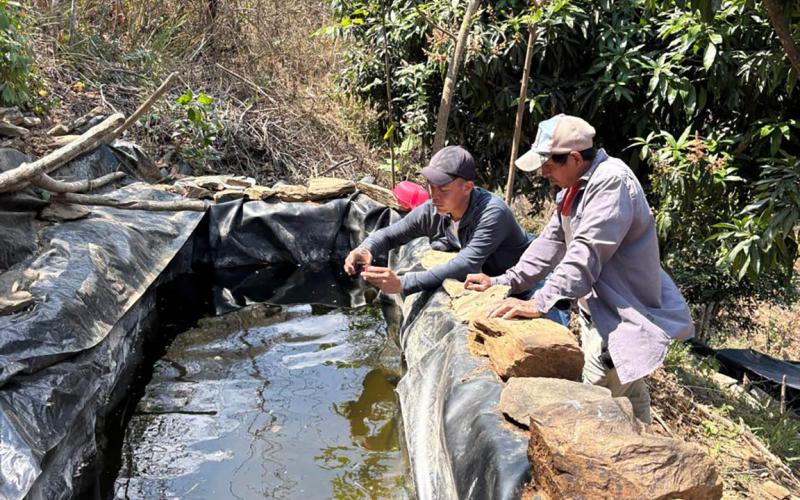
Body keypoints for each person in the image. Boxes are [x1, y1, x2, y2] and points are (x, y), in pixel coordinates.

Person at [464, 114, 694, 423]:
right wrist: (503, 281)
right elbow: (549, 245)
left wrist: (538, 303)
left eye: (548, 164)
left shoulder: (611, 183)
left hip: (621, 317)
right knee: (628, 393)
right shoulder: (572, 191)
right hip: (597, 312)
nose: (543, 173)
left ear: (574, 158)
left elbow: (585, 255)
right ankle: (643, 439)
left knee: (592, 406)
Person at [344, 145, 555, 310]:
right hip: (488, 282)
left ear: (467, 187)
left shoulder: (492, 213)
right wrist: (365, 248)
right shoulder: (434, 208)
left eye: (443, 189)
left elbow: (466, 265)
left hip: (531, 282)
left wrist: (402, 283)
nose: (434, 196)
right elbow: (392, 234)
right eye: (431, 187)